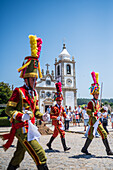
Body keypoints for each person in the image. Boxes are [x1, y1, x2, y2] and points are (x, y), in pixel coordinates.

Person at [0, 35, 49, 170]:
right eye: (32, 79)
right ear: (26, 79)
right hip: (22, 128)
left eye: (35, 79)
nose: (35, 81)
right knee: (40, 155)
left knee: (19, 155)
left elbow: (36, 111)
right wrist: (21, 115)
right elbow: (8, 110)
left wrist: (42, 116)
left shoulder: (34, 94)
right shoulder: (18, 91)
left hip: (30, 128)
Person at [81, 71, 113, 155]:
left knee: (91, 135)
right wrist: (95, 114)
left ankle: (84, 149)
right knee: (103, 133)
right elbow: (89, 112)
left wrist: (103, 109)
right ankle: (108, 151)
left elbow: (99, 110)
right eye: (96, 94)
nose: (97, 95)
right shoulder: (90, 102)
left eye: (98, 94)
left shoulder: (98, 102)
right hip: (93, 121)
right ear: (93, 94)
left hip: (97, 121)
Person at [46, 82, 71, 151]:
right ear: (56, 101)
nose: (59, 102)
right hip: (56, 122)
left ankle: (49, 143)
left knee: (55, 134)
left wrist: (66, 116)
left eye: (60, 101)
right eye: (58, 101)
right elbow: (51, 116)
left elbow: (64, 113)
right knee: (62, 133)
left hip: (60, 122)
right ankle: (65, 147)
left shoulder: (62, 108)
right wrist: (56, 117)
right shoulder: (53, 108)